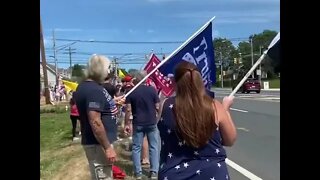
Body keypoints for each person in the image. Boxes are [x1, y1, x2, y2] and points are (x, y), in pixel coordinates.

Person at [157, 61, 237, 180]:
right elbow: (230, 140)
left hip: (174, 174)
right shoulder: (214, 106)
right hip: (212, 173)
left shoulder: (165, 105)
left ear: (175, 82)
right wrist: (225, 110)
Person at [74, 54, 124, 180]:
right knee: (102, 176)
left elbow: (100, 110)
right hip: (98, 145)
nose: (109, 71)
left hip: (97, 143)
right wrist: (107, 148)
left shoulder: (89, 87)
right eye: (108, 68)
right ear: (100, 69)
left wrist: (114, 104)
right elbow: (95, 121)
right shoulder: (94, 90)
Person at [124, 71, 160, 180]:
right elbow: (157, 107)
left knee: (136, 147)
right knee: (154, 147)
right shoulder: (152, 90)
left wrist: (127, 123)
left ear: (136, 80)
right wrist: (156, 117)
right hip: (151, 122)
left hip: (138, 122)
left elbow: (128, 110)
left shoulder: (131, 92)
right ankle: (154, 172)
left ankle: (138, 173)